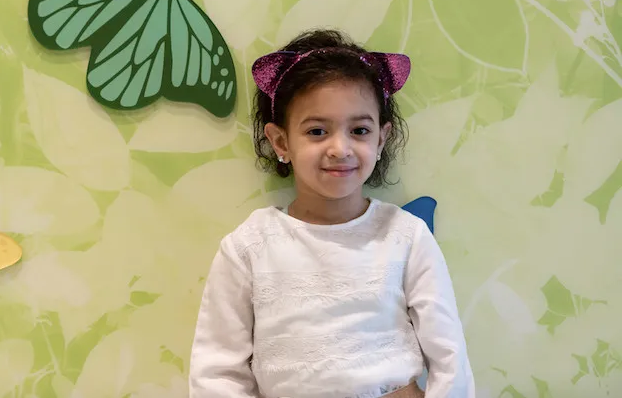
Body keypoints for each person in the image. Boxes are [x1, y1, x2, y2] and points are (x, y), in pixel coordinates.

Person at [189, 29, 475, 398]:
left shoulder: (406, 236)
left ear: (381, 139)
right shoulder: (249, 246)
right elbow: (216, 371)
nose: (340, 148)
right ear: (281, 141)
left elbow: (450, 357)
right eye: (317, 130)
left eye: (359, 130)